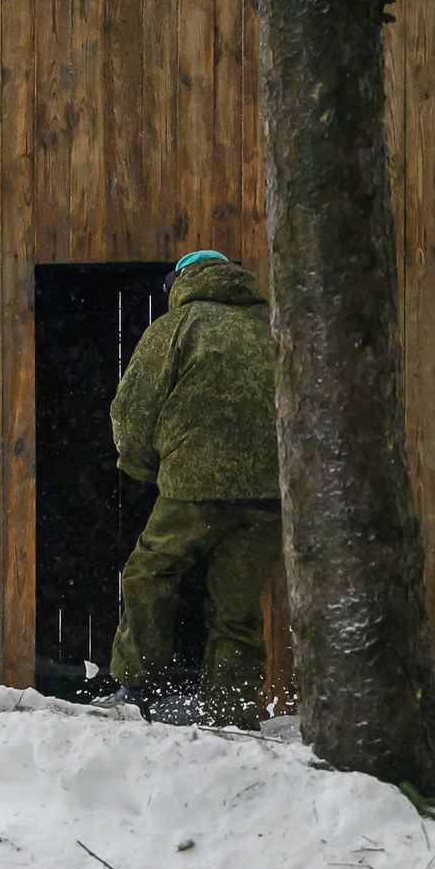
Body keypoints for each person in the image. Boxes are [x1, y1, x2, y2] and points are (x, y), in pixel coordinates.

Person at [105, 250, 282, 729]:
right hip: (268, 494)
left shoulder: (178, 327)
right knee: (237, 608)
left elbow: (132, 411)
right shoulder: (276, 326)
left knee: (149, 574)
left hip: (193, 488)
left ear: (180, 281)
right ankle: (233, 714)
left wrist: (142, 469)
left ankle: (139, 688)